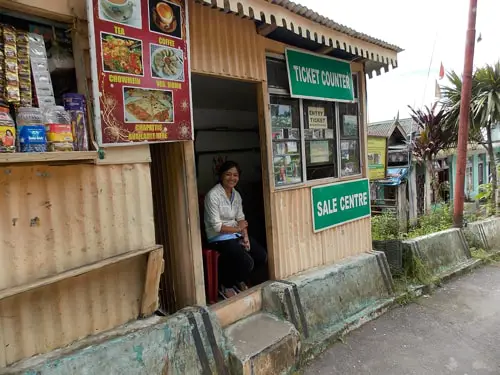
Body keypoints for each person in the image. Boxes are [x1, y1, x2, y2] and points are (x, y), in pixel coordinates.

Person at [204, 161, 267, 299]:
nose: (232, 178)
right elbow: (217, 226)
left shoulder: (236, 195)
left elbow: (241, 219)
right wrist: (237, 229)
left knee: (261, 255)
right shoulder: (213, 195)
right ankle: (226, 284)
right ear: (221, 176)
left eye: (235, 175)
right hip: (218, 238)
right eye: (228, 174)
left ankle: (239, 279)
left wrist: (245, 237)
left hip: (235, 234)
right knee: (246, 262)